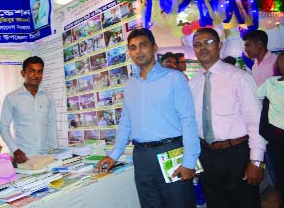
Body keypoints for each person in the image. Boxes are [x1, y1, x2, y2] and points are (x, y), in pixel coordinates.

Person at [98, 28, 200, 208]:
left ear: (154, 47)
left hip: (171, 151)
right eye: (133, 47)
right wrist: (114, 154)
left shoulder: (174, 78)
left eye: (143, 45)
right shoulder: (130, 85)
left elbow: (188, 120)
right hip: (142, 157)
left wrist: (189, 161)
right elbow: (126, 123)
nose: (138, 51)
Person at [189, 28, 267, 208]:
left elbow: (256, 123)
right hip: (207, 156)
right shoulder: (193, 83)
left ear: (219, 45)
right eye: (197, 44)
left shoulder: (239, 77)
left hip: (237, 155)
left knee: (245, 203)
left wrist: (256, 161)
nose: (203, 47)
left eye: (208, 42)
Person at [0, 56, 57, 164]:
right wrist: (15, 149)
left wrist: (56, 150)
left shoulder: (48, 96)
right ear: (23, 73)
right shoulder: (12, 97)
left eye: (39, 71)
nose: (36, 75)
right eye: (31, 71)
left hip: (47, 156)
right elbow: (3, 127)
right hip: (24, 157)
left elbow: (52, 124)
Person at [243, 30, 279, 188]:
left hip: (275, 117)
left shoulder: (276, 62)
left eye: (248, 45)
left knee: (276, 156)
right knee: (269, 157)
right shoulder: (256, 64)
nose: (246, 50)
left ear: (260, 44)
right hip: (261, 116)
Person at [258, 52, 284, 205]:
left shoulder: (271, 84)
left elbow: (258, 96)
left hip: (278, 139)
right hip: (277, 140)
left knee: (280, 174)